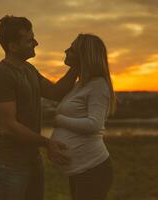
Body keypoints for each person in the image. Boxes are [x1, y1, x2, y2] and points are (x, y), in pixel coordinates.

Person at [0, 15, 78, 200]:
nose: (36, 42)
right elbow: (9, 127)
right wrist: (47, 143)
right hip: (10, 165)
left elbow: (56, 92)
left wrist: (77, 66)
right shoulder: (2, 74)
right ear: (12, 46)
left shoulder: (29, 70)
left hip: (33, 160)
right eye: (29, 40)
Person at [50, 33, 116, 200]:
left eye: (72, 49)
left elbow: (94, 125)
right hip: (81, 170)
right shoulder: (81, 84)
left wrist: (59, 120)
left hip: (92, 169)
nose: (66, 50)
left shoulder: (98, 85)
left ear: (83, 55)